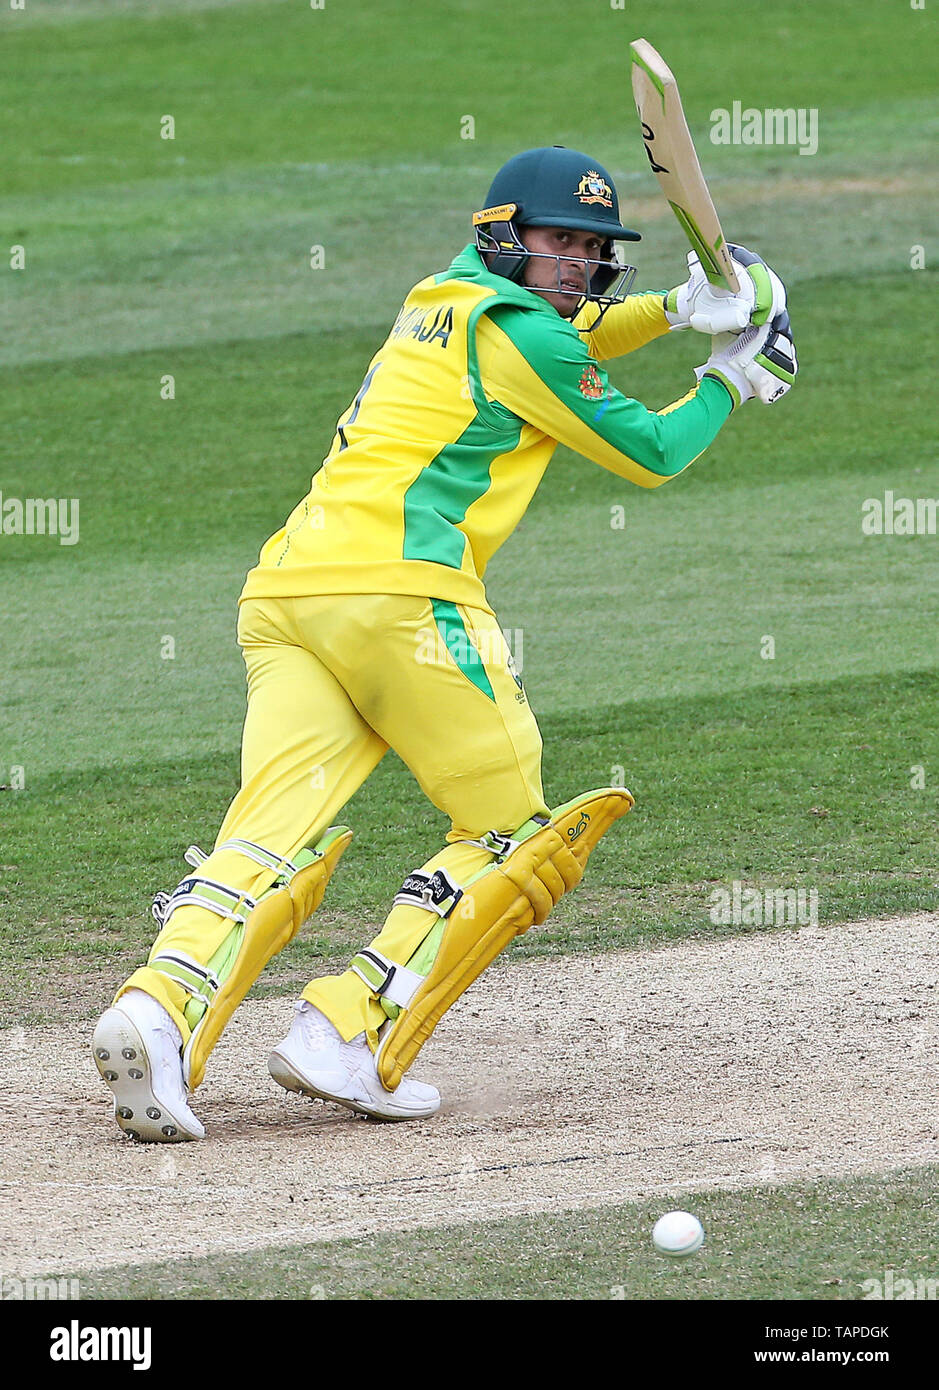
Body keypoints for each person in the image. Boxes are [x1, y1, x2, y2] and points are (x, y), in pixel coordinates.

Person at [92, 146, 796, 1141]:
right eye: (561, 243)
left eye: (595, 249)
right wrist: (733, 374)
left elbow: (569, 336)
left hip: (289, 594)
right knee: (514, 830)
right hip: (405, 603)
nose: (579, 266)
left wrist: (680, 310)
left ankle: (157, 1013)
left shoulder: (441, 299)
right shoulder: (529, 337)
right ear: (504, 236)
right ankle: (349, 1027)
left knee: (267, 831)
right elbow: (653, 452)